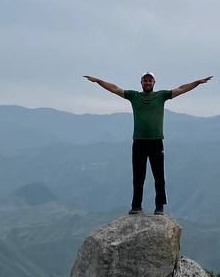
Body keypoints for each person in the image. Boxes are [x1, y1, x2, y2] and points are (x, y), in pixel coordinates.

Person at [83, 71, 213, 215]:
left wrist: (197, 83)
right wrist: (98, 81)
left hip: (156, 141)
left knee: (159, 176)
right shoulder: (134, 96)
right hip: (139, 142)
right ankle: (136, 206)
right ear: (141, 82)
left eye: (150, 80)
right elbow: (115, 89)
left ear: (154, 83)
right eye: (145, 80)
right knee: (138, 176)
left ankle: (159, 207)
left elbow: (181, 89)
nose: (147, 83)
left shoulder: (161, 96)